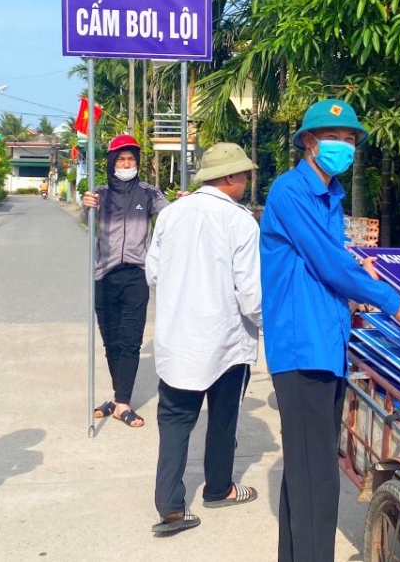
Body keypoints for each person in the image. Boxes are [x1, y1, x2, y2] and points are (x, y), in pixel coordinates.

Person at [260, 99, 400, 562]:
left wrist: (361, 280)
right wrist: (393, 302)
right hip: (302, 349)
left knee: (304, 472)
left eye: (352, 140)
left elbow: (326, 268)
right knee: (317, 478)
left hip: (326, 345)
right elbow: (328, 264)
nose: (346, 146)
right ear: (310, 142)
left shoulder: (330, 195)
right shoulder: (290, 191)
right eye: (336, 138)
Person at [145, 143, 263, 536]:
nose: (246, 181)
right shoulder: (241, 221)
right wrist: (270, 325)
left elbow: (154, 273)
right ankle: (219, 488)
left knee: (175, 421)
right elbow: (251, 293)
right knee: (224, 418)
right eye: (244, 175)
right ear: (229, 178)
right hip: (225, 341)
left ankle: (170, 507)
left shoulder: (171, 215)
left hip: (179, 338)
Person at [81, 134, 170, 428]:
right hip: (103, 275)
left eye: (131, 159)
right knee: (111, 342)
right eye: (121, 159)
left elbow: (171, 217)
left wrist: (184, 203)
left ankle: (122, 403)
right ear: (111, 163)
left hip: (135, 275)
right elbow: (86, 219)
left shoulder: (149, 193)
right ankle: (119, 399)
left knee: (130, 341)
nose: (127, 164)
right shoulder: (99, 194)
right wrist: (86, 204)